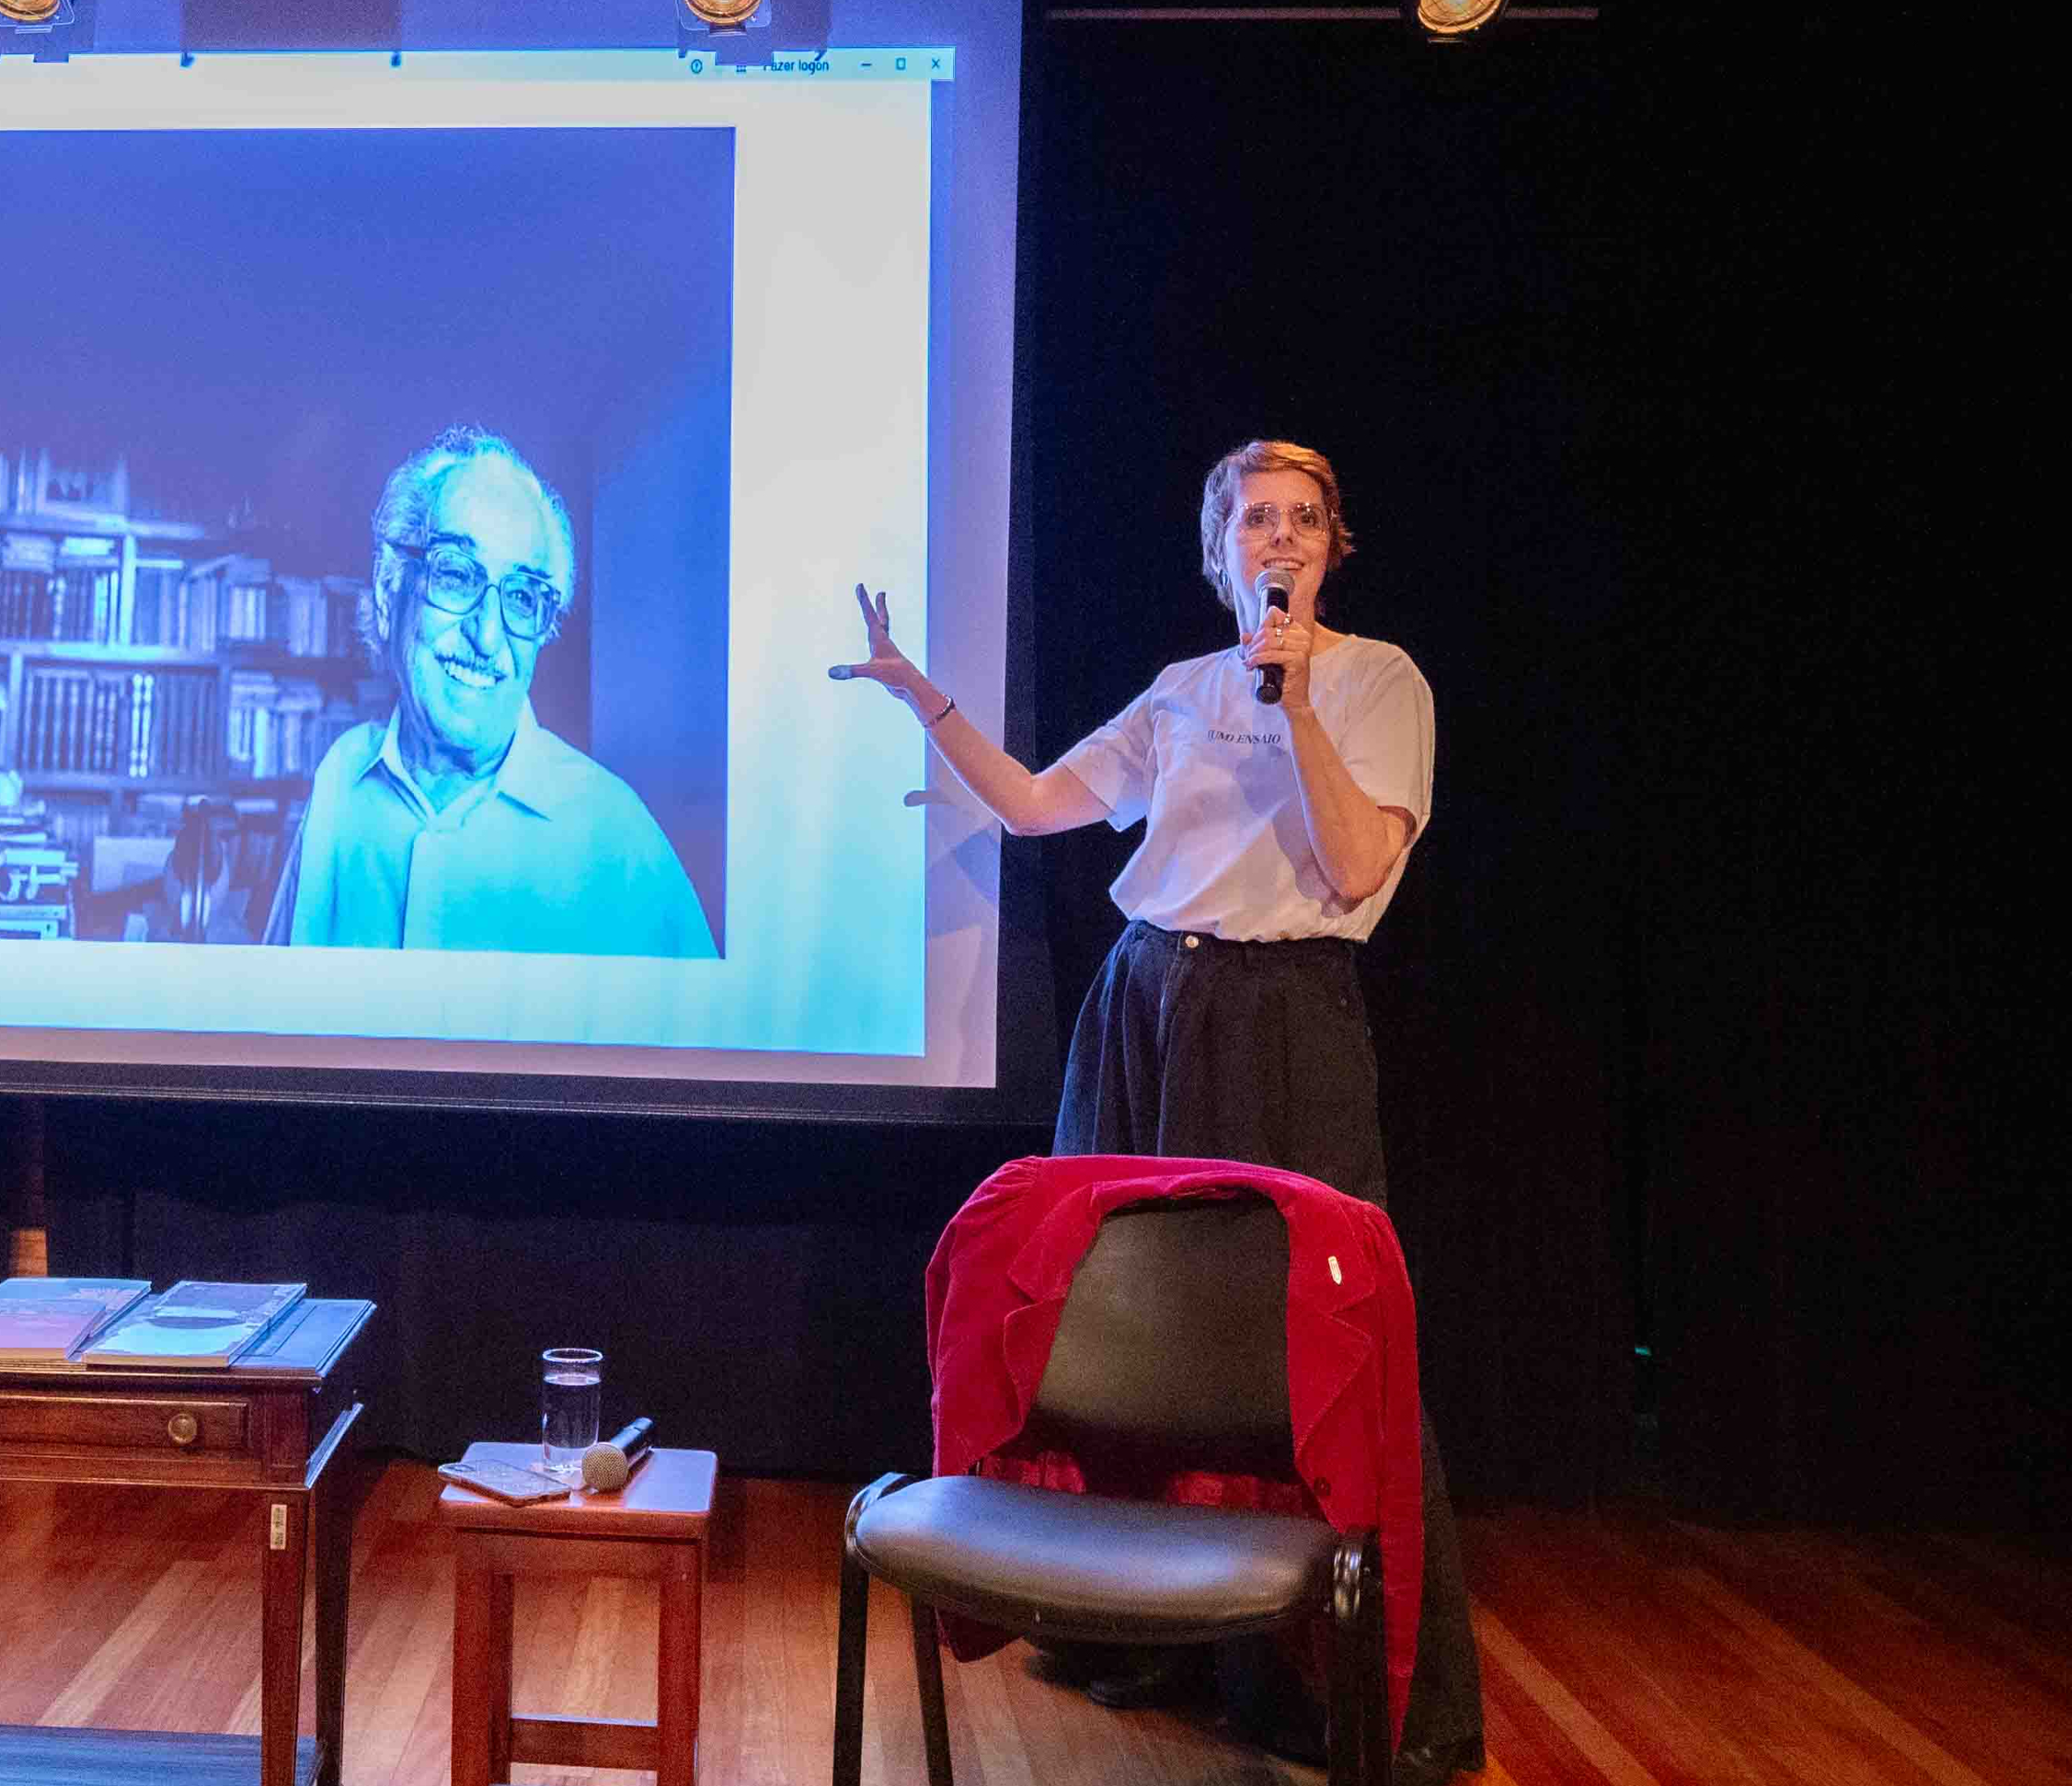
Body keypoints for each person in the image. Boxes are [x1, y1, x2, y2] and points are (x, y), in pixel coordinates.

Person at [833, 439, 1484, 1784]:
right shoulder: (1182, 689)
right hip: (1143, 1007)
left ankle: (1361, 1683)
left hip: (1285, 1017)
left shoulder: (1380, 681)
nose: (1279, 538)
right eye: (1254, 519)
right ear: (1217, 552)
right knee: (1124, 1323)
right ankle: (1148, 1633)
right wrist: (921, 695)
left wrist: (1295, 703)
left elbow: (1356, 863)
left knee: (1317, 1337)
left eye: (1303, 518)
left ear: (1332, 547)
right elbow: (1033, 806)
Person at [271, 425, 715, 957]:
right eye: (457, 575)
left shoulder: (619, 837)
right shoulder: (339, 784)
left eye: (523, 597)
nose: (486, 636)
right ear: (390, 593)